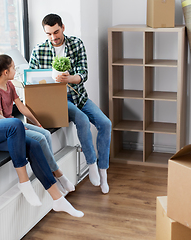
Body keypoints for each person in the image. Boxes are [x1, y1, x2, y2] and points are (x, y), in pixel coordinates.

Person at [0, 26, 83, 217]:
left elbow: (3, 83)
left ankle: (58, 199)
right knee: (15, 124)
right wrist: (8, 125)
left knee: (34, 144)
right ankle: (24, 182)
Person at [29, 14, 112, 194]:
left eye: (56, 32)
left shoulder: (76, 44)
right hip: (58, 101)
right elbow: (31, 80)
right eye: (49, 34)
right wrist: (51, 80)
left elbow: (83, 74)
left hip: (79, 96)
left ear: (63, 27)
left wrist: (69, 78)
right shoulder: (39, 50)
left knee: (105, 124)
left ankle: (103, 172)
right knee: (81, 119)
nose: (53, 37)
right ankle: (91, 164)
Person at [0, 54, 75, 193]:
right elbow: (1, 119)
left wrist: (37, 123)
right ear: (5, 72)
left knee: (45, 133)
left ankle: (51, 172)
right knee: (40, 139)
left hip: (14, 123)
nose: (15, 71)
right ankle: (58, 174)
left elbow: (21, 107)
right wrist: (20, 127)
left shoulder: (10, 85)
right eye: (13, 68)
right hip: (9, 128)